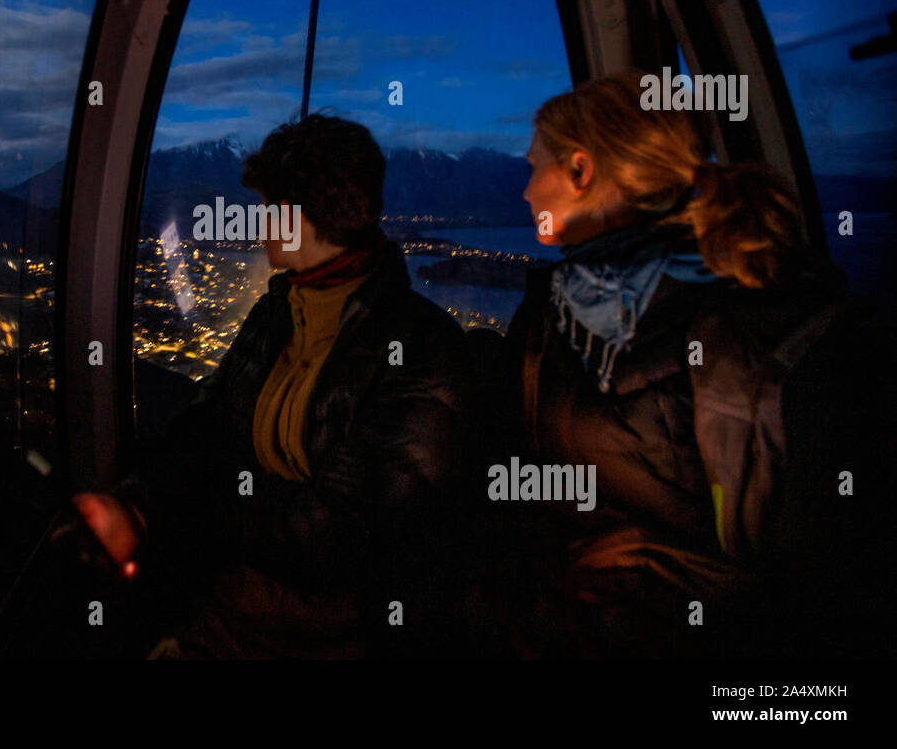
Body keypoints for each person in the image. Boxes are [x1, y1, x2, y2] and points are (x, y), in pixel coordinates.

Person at [489, 69, 887, 657]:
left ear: (579, 170)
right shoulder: (557, 311)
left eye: (532, 167)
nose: (525, 192)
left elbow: (831, 592)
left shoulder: (763, 336)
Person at [75, 114, 499, 658]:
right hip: (230, 608)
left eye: (270, 208)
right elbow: (205, 427)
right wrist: (136, 506)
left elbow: (341, 536)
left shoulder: (420, 348)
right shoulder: (276, 316)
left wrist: (197, 506)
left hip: (341, 637)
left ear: (307, 216)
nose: (259, 224)